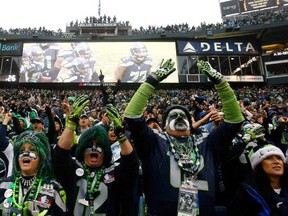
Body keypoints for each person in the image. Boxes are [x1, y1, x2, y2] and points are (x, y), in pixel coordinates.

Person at [124, 59, 244, 215]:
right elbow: (132, 116)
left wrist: (221, 83)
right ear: (164, 126)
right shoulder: (154, 141)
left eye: (184, 115)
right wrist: (151, 81)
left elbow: (234, 121)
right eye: (174, 115)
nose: (180, 117)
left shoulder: (208, 142)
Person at [52, 95, 139, 215]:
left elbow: (131, 165)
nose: (94, 149)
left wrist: (121, 135)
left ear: (106, 151)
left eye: (99, 146)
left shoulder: (113, 171)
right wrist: (71, 123)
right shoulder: (73, 169)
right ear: (82, 150)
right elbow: (59, 156)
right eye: (89, 146)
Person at [0, 130, 67, 215]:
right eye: (21, 150)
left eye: (32, 150)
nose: (26, 153)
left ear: (41, 156)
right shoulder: (3, 185)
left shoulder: (54, 189)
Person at [230, 145, 288, 215]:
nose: (276, 161)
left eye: (279, 158)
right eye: (268, 158)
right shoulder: (246, 193)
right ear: (258, 165)